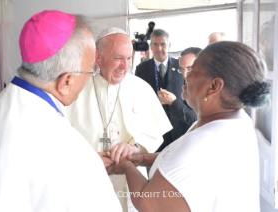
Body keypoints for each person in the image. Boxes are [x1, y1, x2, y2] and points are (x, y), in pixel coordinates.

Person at [0, 10, 122, 212]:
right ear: (66, 81)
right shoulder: (74, 155)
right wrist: (85, 164)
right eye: (91, 71)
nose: (92, 77)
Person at [107, 41, 268, 212]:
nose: (186, 76)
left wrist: (126, 166)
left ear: (214, 86)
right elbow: (180, 162)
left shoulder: (201, 143)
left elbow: (147, 202)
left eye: (193, 71)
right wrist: (141, 159)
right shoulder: (236, 119)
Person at [64, 27, 171, 212]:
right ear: (98, 57)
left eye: (128, 58)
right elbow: (59, 140)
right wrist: (87, 158)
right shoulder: (75, 89)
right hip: (88, 182)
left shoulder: (140, 87)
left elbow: (155, 134)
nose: (125, 66)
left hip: (130, 185)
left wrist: (135, 147)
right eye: (118, 58)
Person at [135, 29, 185, 152]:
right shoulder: (141, 69)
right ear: (150, 46)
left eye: (163, 44)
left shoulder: (181, 66)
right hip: (153, 128)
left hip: (178, 126)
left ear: (169, 46)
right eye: (155, 44)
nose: (159, 49)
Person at [158, 47, 201, 132]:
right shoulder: (186, 82)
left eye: (189, 69)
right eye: (182, 69)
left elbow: (197, 120)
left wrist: (173, 102)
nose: (185, 75)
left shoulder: (209, 90)